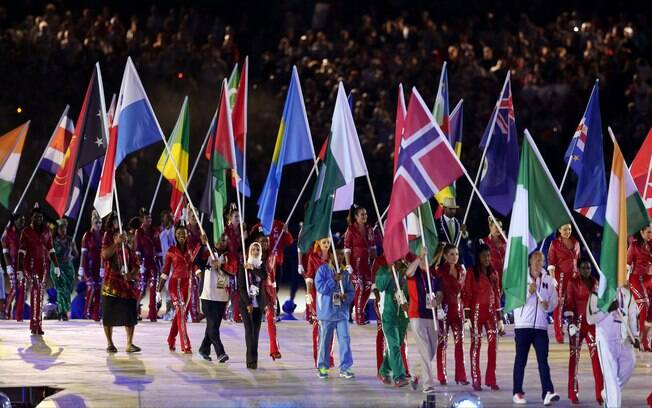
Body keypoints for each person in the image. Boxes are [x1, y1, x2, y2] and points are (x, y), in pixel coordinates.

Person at [512, 251, 559, 406]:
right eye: (537, 260)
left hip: (540, 327)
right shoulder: (521, 277)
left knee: (543, 361)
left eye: (542, 261)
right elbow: (513, 298)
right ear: (531, 261)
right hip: (522, 326)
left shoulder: (548, 280)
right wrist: (527, 292)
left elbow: (554, 300)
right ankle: (517, 392)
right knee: (521, 360)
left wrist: (548, 306)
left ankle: (547, 392)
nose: (539, 263)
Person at [157, 221, 207, 353]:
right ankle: (186, 344)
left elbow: (195, 264)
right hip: (176, 284)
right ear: (175, 235)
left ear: (187, 235)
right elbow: (165, 271)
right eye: (178, 234)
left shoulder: (191, 250)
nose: (181, 236)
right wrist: (158, 289)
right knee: (181, 312)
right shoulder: (171, 251)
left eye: (183, 234)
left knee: (181, 314)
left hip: (189, 285)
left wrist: (198, 273)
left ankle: (171, 338)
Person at [587, 285, 639, 407]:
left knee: (630, 363)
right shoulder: (597, 292)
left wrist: (635, 335)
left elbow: (632, 314)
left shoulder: (627, 293)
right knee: (611, 380)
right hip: (606, 341)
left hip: (624, 340)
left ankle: (608, 392)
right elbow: (590, 318)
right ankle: (611, 398)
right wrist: (606, 309)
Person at [563, 259, 604, 405]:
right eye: (583, 268)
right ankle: (573, 393)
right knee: (574, 359)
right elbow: (568, 303)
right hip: (577, 325)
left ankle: (601, 393)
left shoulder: (596, 282)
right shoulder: (572, 283)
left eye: (588, 267)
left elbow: (600, 304)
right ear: (578, 269)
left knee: (597, 359)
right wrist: (570, 324)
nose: (586, 270)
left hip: (592, 325)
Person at [463, 244, 503, 392]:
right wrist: (467, 317)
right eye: (484, 256)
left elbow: (497, 295)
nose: (487, 258)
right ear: (478, 257)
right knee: (476, 345)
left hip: (491, 312)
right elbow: (466, 294)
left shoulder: (494, 273)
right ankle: (476, 379)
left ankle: (491, 379)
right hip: (477, 312)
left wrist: (499, 319)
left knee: (494, 346)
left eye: (488, 256)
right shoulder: (472, 272)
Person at [100, 213, 141, 353]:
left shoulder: (127, 235)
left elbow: (135, 259)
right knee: (109, 314)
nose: (118, 222)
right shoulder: (108, 236)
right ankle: (110, 343)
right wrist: (116, 243)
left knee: (130, 313)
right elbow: (105, 255)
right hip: (111, 283)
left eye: (119, 219)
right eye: (115, 220)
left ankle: (129, 343)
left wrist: (132, 274)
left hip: (126, 283)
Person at [17, 203, 60, 335]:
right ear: (32, 218)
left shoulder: (47, 231)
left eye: (40, 217)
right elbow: (21, 252)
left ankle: (37, 324)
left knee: (40, 294)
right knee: (35, 291)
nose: (39, 219)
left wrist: (56, 265)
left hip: (43, 266)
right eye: (36, 217)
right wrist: (19, 269)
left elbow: (51, 250)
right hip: (30, 265)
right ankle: (35, 325)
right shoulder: (26, 232)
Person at [405, 247, 442, 393]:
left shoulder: (433, 274)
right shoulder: (415, 273)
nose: (426, 260)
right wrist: (419, 257)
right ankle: (428, 385)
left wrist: (437, 300)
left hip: (432, 316)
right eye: (423, 258)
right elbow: (408, 272)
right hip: (417, 315)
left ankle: (415, 373)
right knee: (425, 352)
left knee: (431, 351)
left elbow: (440, 293)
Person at [315, 248, 355, 379]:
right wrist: (333, 280)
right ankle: (322, 367)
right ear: (331, 255)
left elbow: (351, 292)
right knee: (325, 341)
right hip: (327, 313)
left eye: (341, 254)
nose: (340, 256)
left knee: (345, 340)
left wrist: (346, 297)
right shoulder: (323, 270)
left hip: (342, 313)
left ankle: (345, 368)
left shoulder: (345, 273)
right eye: (337, 254)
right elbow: (320, 288)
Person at [435, 244, 468, 385]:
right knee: (442, 343)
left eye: (457, 254)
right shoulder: (440, 271)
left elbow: (463, 292)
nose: (455, 257)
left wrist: (466, 311)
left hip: (458, 310)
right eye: (452, 254)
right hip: (445, 309)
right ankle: (441, 375)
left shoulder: (461, 270)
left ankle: (461, 376)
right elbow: (441, 290)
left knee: (459, 342)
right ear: (445, 256)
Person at [375, 256, 410, 387]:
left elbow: (412, 292)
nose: (399, 260)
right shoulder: (383, 271)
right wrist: (390, 270)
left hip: (403, 317)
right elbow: (380, 286)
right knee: (394, 345)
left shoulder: (407, 272)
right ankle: (399, 376)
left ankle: (384, 371)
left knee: (397, 345)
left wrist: (409, 305)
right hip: (388, 315)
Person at [196, 235, 230, 363]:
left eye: (224, 240)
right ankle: (220, 353)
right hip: (207, 295)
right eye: (220, 239)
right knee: (213, 326)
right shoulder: (207, 253)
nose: (222, 242)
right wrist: (203, 245)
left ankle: (203, 350)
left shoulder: (229, 256)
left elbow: (233, 270)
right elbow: (196, 260)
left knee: (213, 326)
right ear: (214, 241)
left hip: (222, 297)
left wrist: (221, 265)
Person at [547, 223, 580, 344]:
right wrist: (552, 278)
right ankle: (558, 332)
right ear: (559, 230)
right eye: (565, 229)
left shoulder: (576, 243)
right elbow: (551, 261)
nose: (567, 231)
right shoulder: (555, 244)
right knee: (559, 304)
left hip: (574, 277)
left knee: (574, 304)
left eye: (569, 229)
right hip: (560, 277)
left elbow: (578, 260)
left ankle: (572, 328)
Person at [343, 204, 376, 325]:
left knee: (368, 287)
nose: (365, 216)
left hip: (367, 263)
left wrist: (375, 262)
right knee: (360, 288)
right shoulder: (351, 229)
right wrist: (348, 265)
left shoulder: (369, 228)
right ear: (356, 217)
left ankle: (360, 311)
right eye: (362, 214)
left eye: (366, 214)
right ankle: (359, 316)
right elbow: (347, 248)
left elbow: (372, 247)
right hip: (355, 263)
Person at [305, 236, 334, 367]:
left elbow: (338, 273)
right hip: (317, 295)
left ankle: (329, 357)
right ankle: (318, 358)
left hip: (331, 295)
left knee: (330, 326)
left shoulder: (333, 257)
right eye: (324, 242)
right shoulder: (312, 257)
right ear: (318, 243)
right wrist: (308, 293)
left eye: (328, 242)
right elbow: (309, 276)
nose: (326, 244)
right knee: (318, 326)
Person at [239, 241, 267, 369]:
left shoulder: (260, 266)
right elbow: (242, 287)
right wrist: (248, 303)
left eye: (257, 250)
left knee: (256, 333)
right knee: (249, 331)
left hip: (258, 304)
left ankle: (254, 359)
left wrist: (253, 269)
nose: (255, 252)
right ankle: (250, 360)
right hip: (246, 304)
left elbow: (264, 276)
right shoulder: (243, 267)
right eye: (253, 249)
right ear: (249, 251)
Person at [626, 224, 652, 351]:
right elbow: (627, 264)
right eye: (648, 232)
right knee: (644, 306)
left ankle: (643, 335)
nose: (650, 235)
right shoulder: (634, 245)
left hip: (649, 279)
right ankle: (643, 341)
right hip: (636, 279)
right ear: (641, 232)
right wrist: (625, 281)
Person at [135, 208, 162, 322]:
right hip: (143, 264)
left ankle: (153, 314)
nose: (149, 219)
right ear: (142, 219)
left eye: (150, 217)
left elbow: (159, 249)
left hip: (153, 263)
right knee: (141, 288)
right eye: (147, 218)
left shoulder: (155, 231)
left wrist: (161, 264)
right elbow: (137, 250)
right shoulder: (139, 232)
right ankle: (134, 311)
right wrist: (140, 264)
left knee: (153, 287)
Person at [50, 218, 78, 321]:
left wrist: (71, 255)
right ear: (57, 229)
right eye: (61, 227)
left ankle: (63, 310)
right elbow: (49, 255)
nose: (63, 229)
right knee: (62, 289)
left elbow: (76, 254)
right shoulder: (53, 241)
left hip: (68, 268)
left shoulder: (70, 240)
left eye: (64, 227)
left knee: (68, 289)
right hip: (57, 267)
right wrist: (58, 259)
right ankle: (63, 312)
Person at [80, 210, 104, 321]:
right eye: (96, 222)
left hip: (99, 267)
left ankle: (96, 313)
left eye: (100, 222)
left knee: (99, 289)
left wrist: (103, 268)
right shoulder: (87, 236)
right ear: (92, 223)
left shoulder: (104, 235)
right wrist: (81, 268)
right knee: (91, 287)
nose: (98, 225)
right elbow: (83, 254)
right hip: (88, 266)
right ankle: (86, 312)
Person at [2, 213, 25, 320]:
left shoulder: (24, 233)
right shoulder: (9, 234)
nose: (23, 222)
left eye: (24, 220)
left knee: (22, 289)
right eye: (20, 220)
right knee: (14, 288)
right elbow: (5, 251)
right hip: (12, 265)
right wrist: (8, 266)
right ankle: (6, 309)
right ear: (15, 221)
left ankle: (17, 313)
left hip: (22, 266)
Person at [225, 204, 245, 323]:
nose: (238, 218)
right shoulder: (226, 230)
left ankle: (237, 314)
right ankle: (225, 312)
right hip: (229, 265)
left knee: (239, 289)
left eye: (239, 216)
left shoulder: (243, 230)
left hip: (241, 264)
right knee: (229, 289)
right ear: (230, 218)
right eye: (236, 216)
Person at [186, 208, 203, 322]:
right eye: (192, 216)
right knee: (193, 286)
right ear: (188, 216)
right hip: (188, 262)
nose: (194, 218)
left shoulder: (200, 230)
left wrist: (204, 242)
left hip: (198, 261)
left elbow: (203, 246)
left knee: (197, 285)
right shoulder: (186, 230)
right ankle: (193, 314)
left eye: (196, 215)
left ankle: (194, 311)